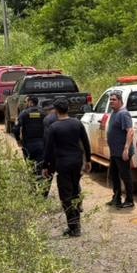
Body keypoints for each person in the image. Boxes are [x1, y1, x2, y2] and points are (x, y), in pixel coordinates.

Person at [42, 97, 91, 237]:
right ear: (68, 109)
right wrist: (88, 160)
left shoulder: (54, 127)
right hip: (76, 162)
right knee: (75, 191)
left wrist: (46, 166)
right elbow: (85, 142)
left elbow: (48, 149)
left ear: (56, 110)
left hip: (62, 164)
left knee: (66, 196)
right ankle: (77, 225)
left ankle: (73, 227)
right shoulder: (77, 123)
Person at [106, 90, 136, 210]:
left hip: (122, 152)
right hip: (114, 152)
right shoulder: (114, 112)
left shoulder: (123, 114)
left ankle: (130, 200)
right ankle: (116, 197)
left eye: (113, 100)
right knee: (114, 175)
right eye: (110, 100)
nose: (111, 102)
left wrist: (126, 149)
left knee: (125, 176)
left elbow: (130, 131)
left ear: (120, 101)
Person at [14, 93, 50, 191]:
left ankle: (33, 189)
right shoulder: (43, 113)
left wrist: (18, 140)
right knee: (41, 166)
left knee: (30, 166)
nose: (25, 103)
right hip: (42, 144)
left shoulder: (23, 114)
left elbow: (16, 128)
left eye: (26, 101)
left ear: (30, 102)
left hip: (28, 145)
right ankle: (42, 190)